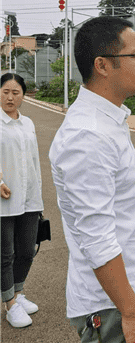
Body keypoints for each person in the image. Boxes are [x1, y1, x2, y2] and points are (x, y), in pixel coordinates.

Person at [49, 16, 135, 343]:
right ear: (102, 65)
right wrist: (131, 312)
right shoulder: (88, 136)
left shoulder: (109, 120)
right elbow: (97, 236)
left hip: (125, 290)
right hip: (110, 304)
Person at [1, 73, 43, 328]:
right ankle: (10, 304)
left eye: (16, 93)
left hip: (29, 196)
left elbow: (35, 160)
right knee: (6, 254)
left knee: (27, 250)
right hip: (4, 198)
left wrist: (37, 192)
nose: (10, 97)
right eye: (5, 91)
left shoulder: (28, 123)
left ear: (23, 96)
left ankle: (17, 292)